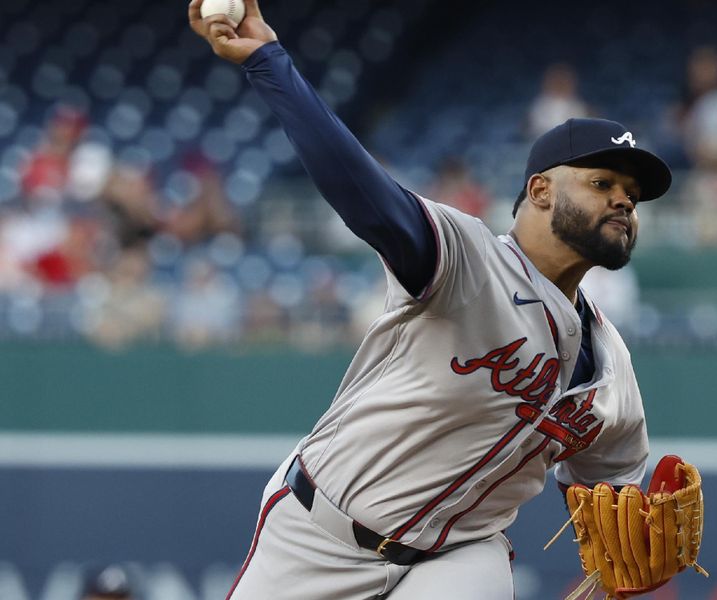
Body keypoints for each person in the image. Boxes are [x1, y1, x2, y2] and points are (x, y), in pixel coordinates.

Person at [189, 2, 673, 598]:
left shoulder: (613, 370)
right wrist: (270, 62)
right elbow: (359, 188)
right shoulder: (468, 260)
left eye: (632, 194)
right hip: (322, 533)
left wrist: (609, 582)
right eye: (603, 184)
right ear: (540, 190)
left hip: (461, 555)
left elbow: (613, 506)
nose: (624, 201)